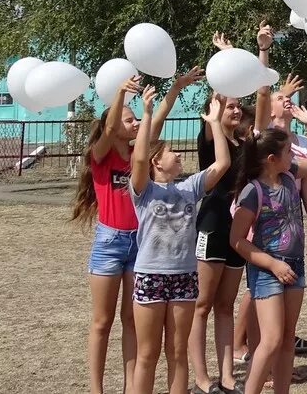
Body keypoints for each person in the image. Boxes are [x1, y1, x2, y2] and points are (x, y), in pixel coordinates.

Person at [72, 68, 200, 394]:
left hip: (141, 247)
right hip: (110, 241)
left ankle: (132, 388)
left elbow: (160, 114)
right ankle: (96, 389)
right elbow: (112, 124)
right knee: (102, 321)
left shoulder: (138, 154)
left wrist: (177, 87)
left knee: (131, 320)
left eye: (135, 120)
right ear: (112, 128)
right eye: (130, 121)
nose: (136, 124)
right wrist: (119, 93)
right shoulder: (100, 154)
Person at [129, 91, 231, 394]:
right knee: (147, 355)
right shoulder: (143, 191)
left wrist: (215, 122)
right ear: (156, 162)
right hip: (150, 276)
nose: (179, 156)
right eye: (172, 152)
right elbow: (137, 157)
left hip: (184, 277)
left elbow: (223, 163)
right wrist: (147, 114)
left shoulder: (189, 188)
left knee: (177, 353)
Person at [230, 109, 307, 394]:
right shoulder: (252, 191)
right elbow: (237, 240)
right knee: (270, 340)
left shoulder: (289, 175)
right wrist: (272, 264)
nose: (294, 157)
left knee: (286, 339)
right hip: (267, 270)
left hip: (294, 265)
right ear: (271, 160)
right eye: (288, 152)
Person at [188, 36, 256, 394]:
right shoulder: (209, 135)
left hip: (237, 233)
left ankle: (228, 375)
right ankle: (202, 378)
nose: (235, 109)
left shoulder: (244, 144)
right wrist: (225, 59)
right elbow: (216, 102)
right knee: (202, 305)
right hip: (211, 226)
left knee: (226, 306)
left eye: (237, 106)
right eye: (230, 105)